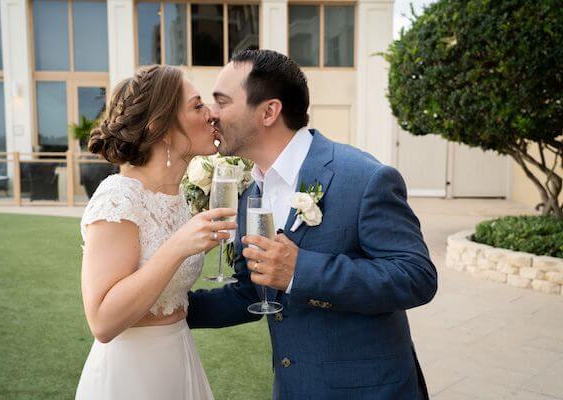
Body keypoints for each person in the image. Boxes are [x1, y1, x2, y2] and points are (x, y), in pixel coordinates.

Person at [188, 50, 438, 399]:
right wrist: (173, 309)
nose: (211, 114)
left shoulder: (364, 178)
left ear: (269, 111)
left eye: (222, 101)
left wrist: (300, 271)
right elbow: (252, 292)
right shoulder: (249, 193)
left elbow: (417, 277)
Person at [75, 65, 234, 399]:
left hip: (178, 359)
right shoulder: (118, 197)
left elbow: (161, 262)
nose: (211, 115)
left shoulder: (175, 197)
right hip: (131, 376)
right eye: (197, 106)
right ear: (160, 127)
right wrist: (179, 246)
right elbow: (102, 321)